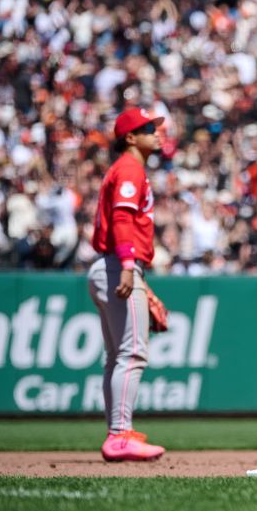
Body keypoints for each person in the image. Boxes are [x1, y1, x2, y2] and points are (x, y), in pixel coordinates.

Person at [87, 107, 166, 462]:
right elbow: (122, 219)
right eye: (149, 128)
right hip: (118, 264)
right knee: (132, 353)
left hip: (111, 264)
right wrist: (129, 267)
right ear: (130, 137)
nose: (157, 132)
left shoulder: (124, 168)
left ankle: (118, 430)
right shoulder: (130, 167)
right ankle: (119, 435)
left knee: (116, 356)